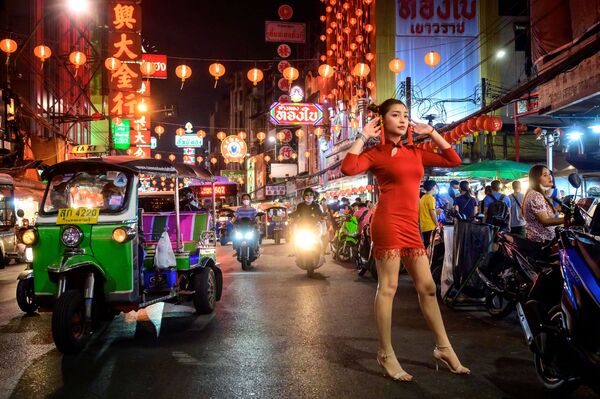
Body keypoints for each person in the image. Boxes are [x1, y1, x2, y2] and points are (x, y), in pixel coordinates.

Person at [341, 98, 468, 381]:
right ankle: (385, 353)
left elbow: (453, 160)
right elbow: (348, 168)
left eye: (405, 115)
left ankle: (444, 348)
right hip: (387, 222)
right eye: (395, 115)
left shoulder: (417, 151)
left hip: (411, 226)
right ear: (382, 121)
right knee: (389, 287)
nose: (402, 119)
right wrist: (363, 136)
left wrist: (431, 131)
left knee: (428, 287)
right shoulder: (376, 153)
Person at [522, 165, 564, 243]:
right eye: (545, 175)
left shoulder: (535, 193)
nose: (550, 177)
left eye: (549, 174)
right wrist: (567, 220)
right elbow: (545, 221)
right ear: (536, 179)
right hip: (541, 243)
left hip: (542, 241)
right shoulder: (536, 195)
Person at [419, 180, 438, 250]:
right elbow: (432, 213)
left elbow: (428, 211)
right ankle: (427, 260)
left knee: (426, 244)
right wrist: (437, 224)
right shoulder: (431, 198)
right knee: (430, 247)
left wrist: (436, 211)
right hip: (430, 225)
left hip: (424, 225)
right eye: (435, 186)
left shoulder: (423, 197)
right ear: (433, 187)